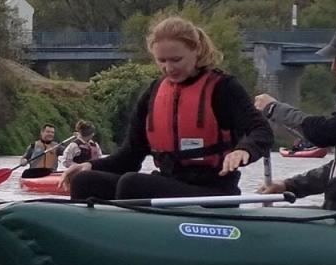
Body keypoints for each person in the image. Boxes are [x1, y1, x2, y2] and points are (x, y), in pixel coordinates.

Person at [62, 16, 273, 200]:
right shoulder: (154, 92)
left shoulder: (223, 87)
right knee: (85, 181)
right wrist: (91, 165)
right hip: (169, 184)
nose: (168, 68)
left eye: (176, 59)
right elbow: (130, 156)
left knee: (131, 184)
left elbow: (261, 130)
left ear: (196, 50)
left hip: (213, 190)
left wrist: (243, 150)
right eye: (161, 61)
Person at [254, 22, 336, 212]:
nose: (334, 67)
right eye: (334, 59)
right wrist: (290, 185)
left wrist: (274, 108)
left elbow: (323, 133)